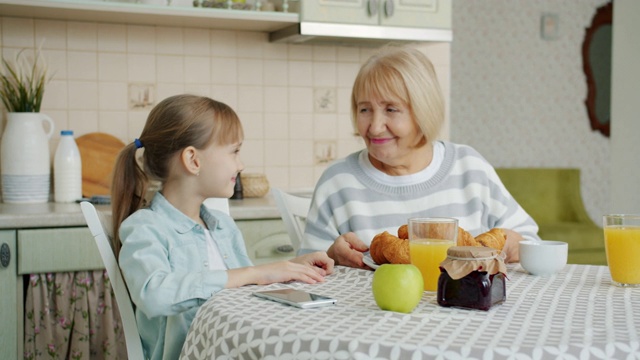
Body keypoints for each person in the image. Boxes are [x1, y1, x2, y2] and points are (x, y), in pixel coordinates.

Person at [110, 94, 334, 360]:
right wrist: (256, 272)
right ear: (193, 160)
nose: (241, 164)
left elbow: (249, 286)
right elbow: (154, 294)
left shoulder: (222, 226)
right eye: (234, 151)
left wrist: (293, 267)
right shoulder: (145, 227)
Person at [301, 45, 540, 268]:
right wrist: (332, 255)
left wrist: (507, 246)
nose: (374, 127)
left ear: (424, 110)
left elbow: (530, 241)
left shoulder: (469, 167)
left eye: (391, 109)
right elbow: (307, 267)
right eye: (365, 109)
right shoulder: (337, 183)